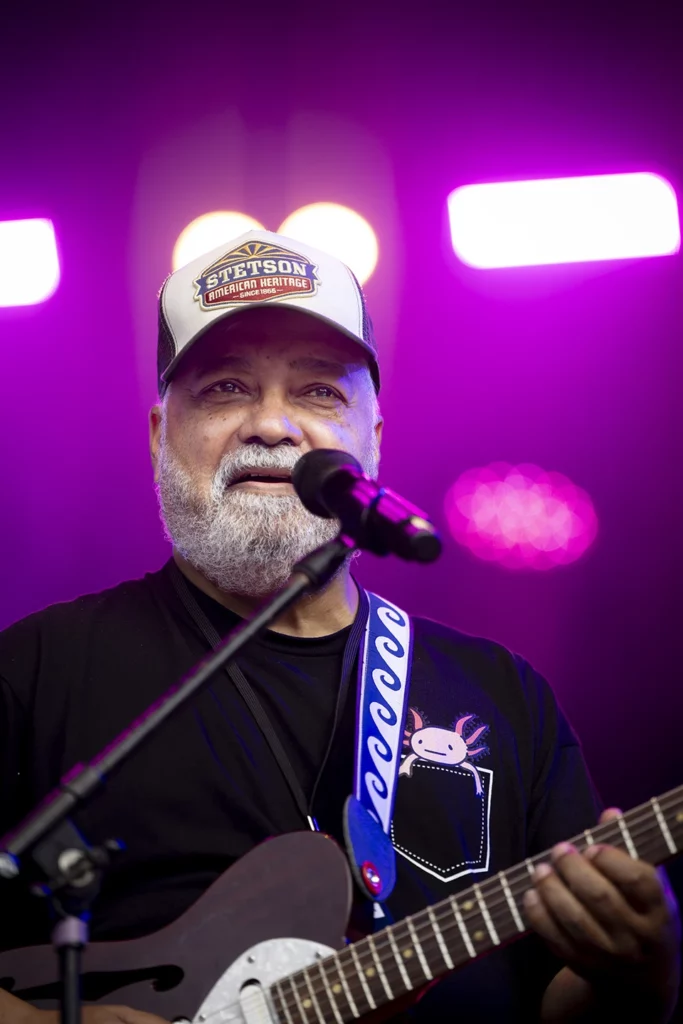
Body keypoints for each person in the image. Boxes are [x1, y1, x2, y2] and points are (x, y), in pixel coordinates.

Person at [0, 230, 679, 1024]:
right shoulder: (35, 670)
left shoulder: (502, 695)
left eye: (319, 392)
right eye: (224, 388)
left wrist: (639, 973)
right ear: (159, 437)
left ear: (373, 442)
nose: (273, 426)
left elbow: (564, 1000)